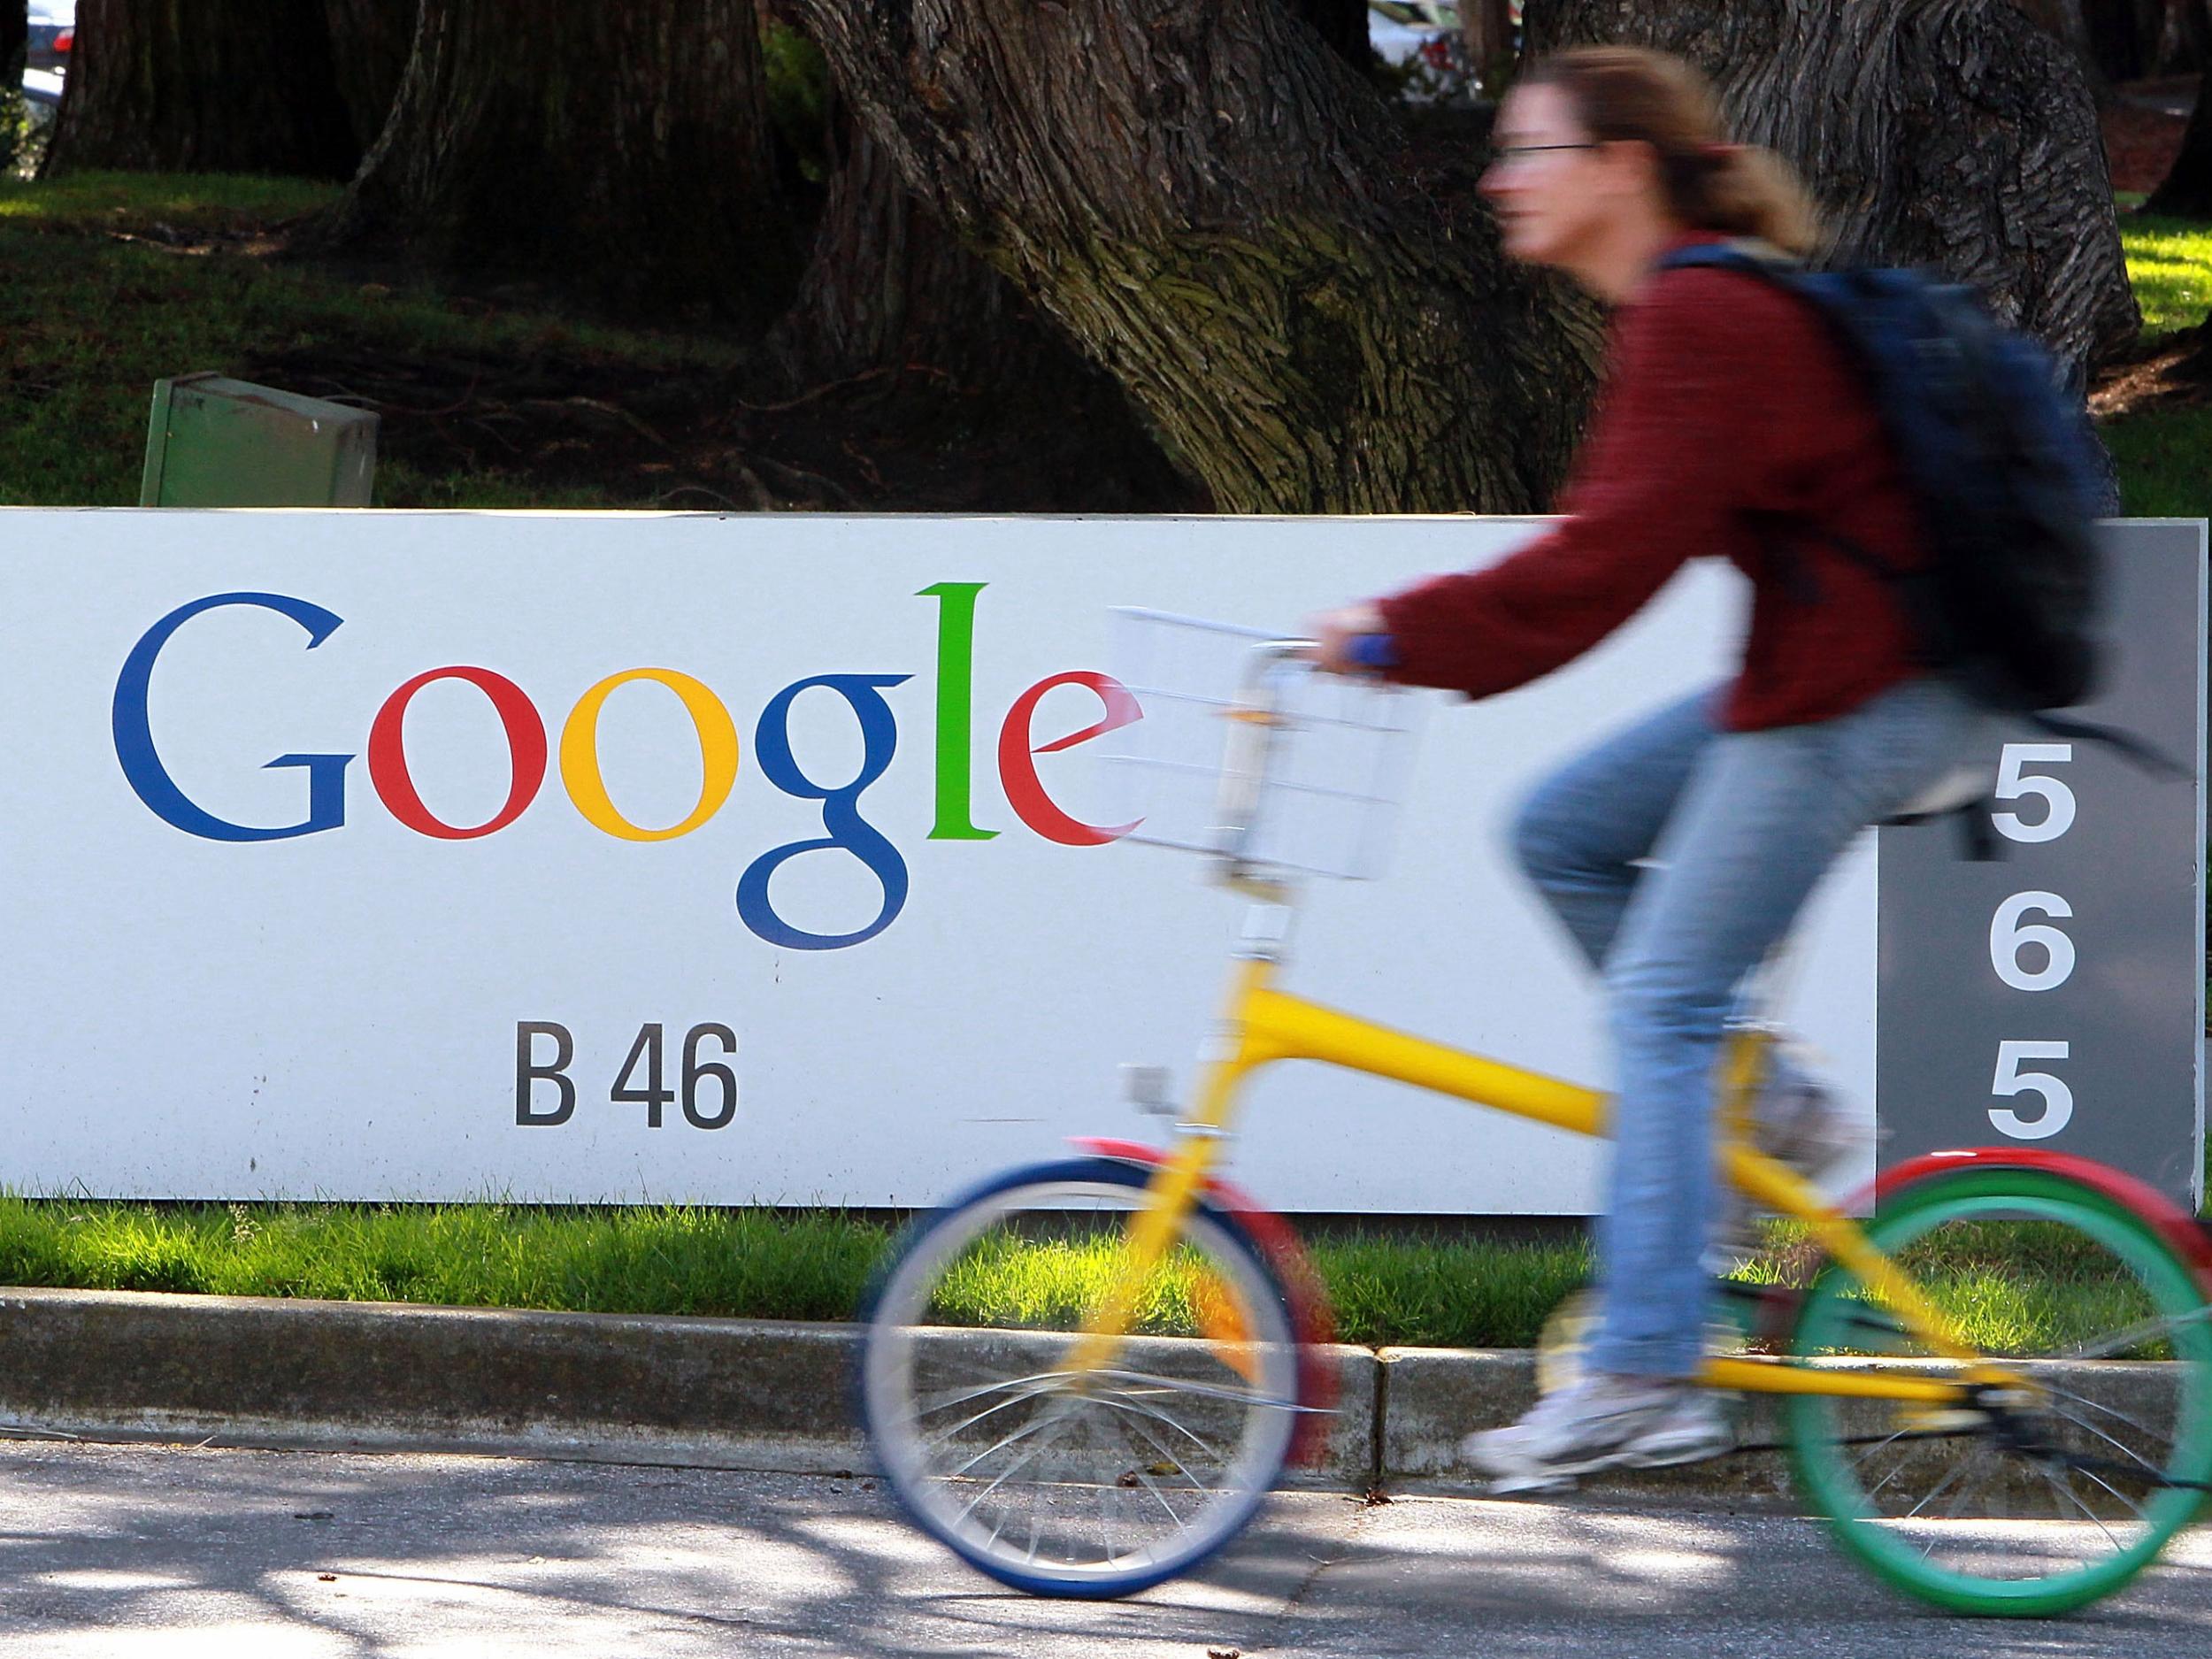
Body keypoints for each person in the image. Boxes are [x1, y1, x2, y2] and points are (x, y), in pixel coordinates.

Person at [1307, 45, 1985, 1491]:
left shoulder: (1703, 315)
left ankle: (1642, 1374)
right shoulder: (1684, 306)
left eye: (1527, 151)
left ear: (1620, 167)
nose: (1498, 180)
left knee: (1666, 999)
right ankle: (1775, 1109)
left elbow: (1605, 562)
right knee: (1561, 828)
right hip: (1825, 673)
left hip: (1875, 692)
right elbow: (1617, 542)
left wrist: (1390, 636)